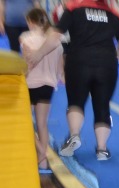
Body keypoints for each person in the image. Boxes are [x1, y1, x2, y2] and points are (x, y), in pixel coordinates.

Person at [26, 0, 119, 161]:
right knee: (102, 106)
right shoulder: (113, 13)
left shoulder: (74, 8)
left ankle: (74, 135)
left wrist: (39, 54)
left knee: (76, 102)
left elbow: (56, 35)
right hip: (106, 64)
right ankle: (102, 149)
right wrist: (116, 58)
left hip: (79, 61)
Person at [20, 7, 63, 170]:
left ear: (31, 22)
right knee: (42, 125)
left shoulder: (26, 38)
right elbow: (59, 70)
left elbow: (27, 64)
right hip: (48, 86)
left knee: (25, 123)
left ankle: (41, 151)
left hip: (31, 85)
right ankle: (42, 161)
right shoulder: (55, 42)